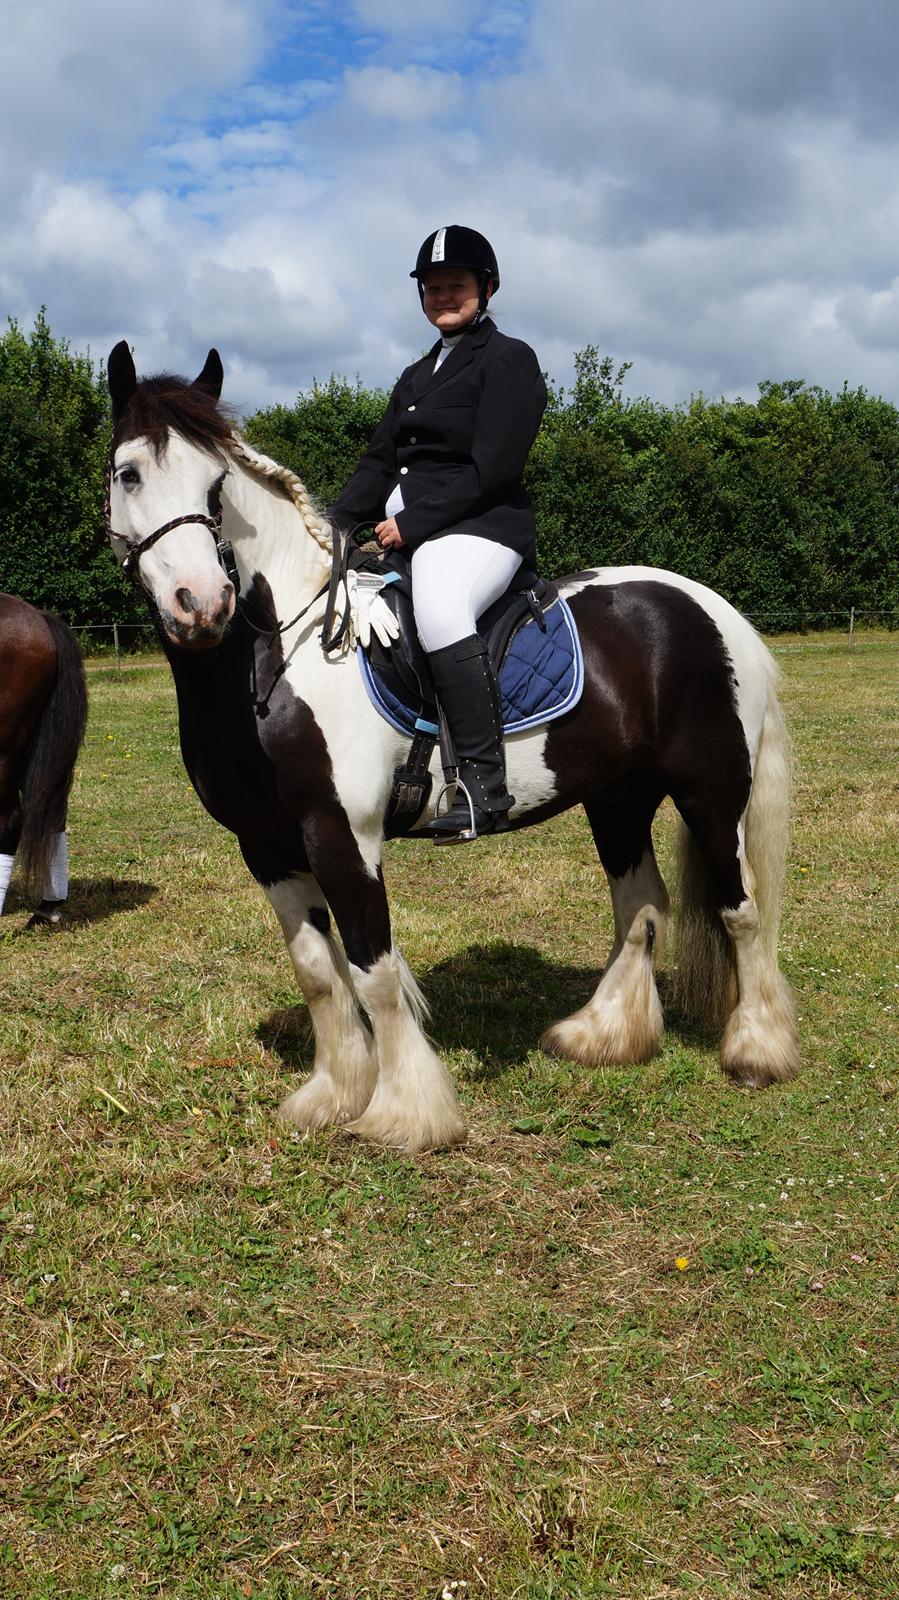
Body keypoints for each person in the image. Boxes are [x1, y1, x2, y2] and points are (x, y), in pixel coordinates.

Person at [328, 225, 547, 841]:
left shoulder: (510, 359)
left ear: (487, 287)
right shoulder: (415, 375)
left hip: (481, 530)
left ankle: (484, 786)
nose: (443, 296)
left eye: (457, 285)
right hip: (416, 533)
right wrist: (337, 527)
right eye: (432, 287)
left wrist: (411, 524)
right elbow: (378, 463)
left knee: (439, 604)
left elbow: (492, 468)